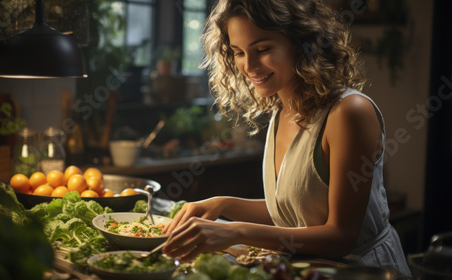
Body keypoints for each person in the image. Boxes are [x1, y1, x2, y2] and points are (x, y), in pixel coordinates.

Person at [162, 0, 411, 276]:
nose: (249, 65)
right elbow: (295, 213)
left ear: (300, 42)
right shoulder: (281, 109)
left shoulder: (348, 112)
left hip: (361, 271)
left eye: (263, 49)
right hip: (306, 268)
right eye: (238, 52)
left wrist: (236, 231)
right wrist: (223, 204)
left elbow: (341, 235)